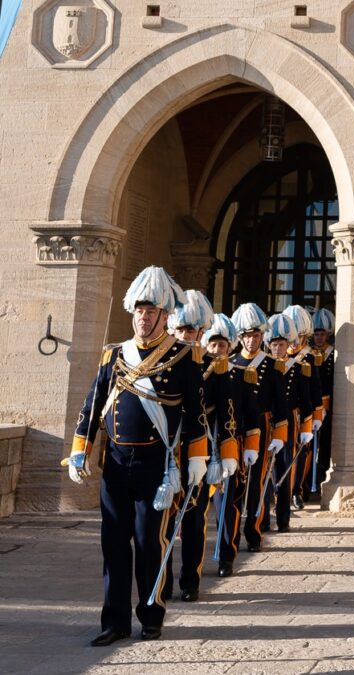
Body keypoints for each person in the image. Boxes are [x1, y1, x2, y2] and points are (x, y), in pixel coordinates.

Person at [63, 266, 207, 646]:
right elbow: (92, 405)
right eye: (139, 311)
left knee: (148, 543)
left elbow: (195, 413)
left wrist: (197, 457)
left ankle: (151, 615)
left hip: (155, 465)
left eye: (151, 311)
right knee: (113, 542)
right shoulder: (114, 355)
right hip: (115, 464)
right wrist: (81, 449)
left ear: (165, 315)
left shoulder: (184, 356)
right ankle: (114, 621)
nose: (143, 318)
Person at [161, 289, 216, 603]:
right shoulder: (161, 362)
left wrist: (223, 456)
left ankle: (190, 581)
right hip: (166, 452)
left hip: (197, 452)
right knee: (163, 522)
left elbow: (226, 413)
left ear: (201, 331)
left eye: (192, 330)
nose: (186, 335)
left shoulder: (214, 366)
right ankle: (163, 582)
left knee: (194, 521)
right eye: (181, 329)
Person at [202, 313, 261, 579]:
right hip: (198, 447)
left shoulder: (241, 375)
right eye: (213, 345)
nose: (218, 350)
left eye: (223, 345)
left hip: (228, 448)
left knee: (227, 506)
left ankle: (226, 556)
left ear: (230, 346)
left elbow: (251, 413)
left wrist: (251, 446)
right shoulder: (196, 372)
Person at [229, 303, 288, 553]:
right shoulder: (231, 362)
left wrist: (280, 433)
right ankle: (230, 536)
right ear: (240, 337)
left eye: (256, 336)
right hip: (234, 426)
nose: (252, 341)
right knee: (234, 482)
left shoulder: (272, 365)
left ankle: (253, 532)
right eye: (247, 336)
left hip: (261, 427)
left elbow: (281, 403)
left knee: (256, 481)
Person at [265, 313, 313, 533]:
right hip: (266, 420)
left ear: (288, 345)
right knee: (264, 472)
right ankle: (262, 518)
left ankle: (283, 518)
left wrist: (306, 427)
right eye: (274, 344)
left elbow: (306, 399)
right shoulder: (261, 366)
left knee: (284, 468)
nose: (278, 349)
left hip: (289, 420)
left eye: (282, 344)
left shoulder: (297, 366)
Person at [283, 305, 323, 508]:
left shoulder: (309, 357)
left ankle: (296, 490)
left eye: (299, 335)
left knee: (301, 451)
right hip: (282, 411)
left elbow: (316, 387)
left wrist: (317, 414)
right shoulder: (277, 353)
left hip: (302, 412)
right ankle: (281, 490)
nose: (295, 340)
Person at [310, 308, 335, 496]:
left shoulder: (333, 353)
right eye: (316, 334)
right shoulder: (310, 354)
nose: (319, 338)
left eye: (322, 334)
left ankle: (321, 476)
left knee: (325, 444)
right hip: (313, 405)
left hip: (329, 406)